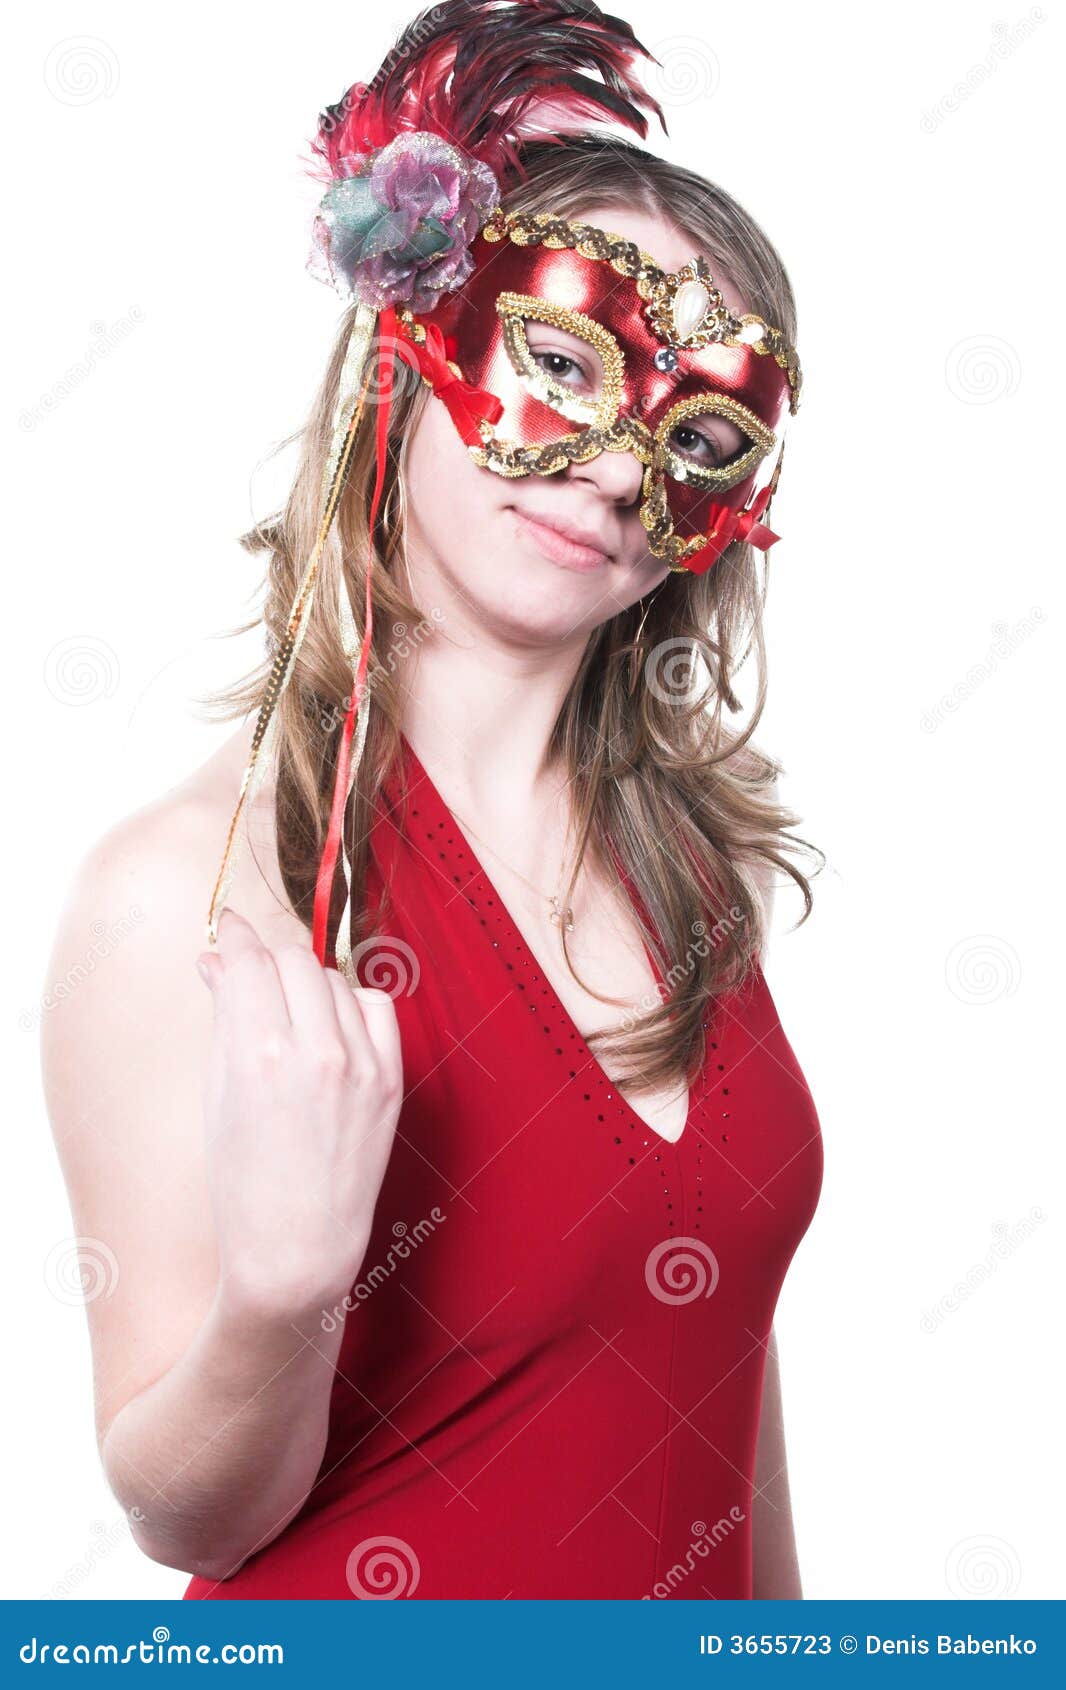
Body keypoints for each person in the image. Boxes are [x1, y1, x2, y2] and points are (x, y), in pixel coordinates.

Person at [41, 0, 825, 1600]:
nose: (618, 468)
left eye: (699, 434)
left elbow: (716, 1377)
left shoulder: (691, 880)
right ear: (413, 334)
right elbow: (187, 1514)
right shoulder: (187, 890)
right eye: (563, 358)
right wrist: (280, 1292)